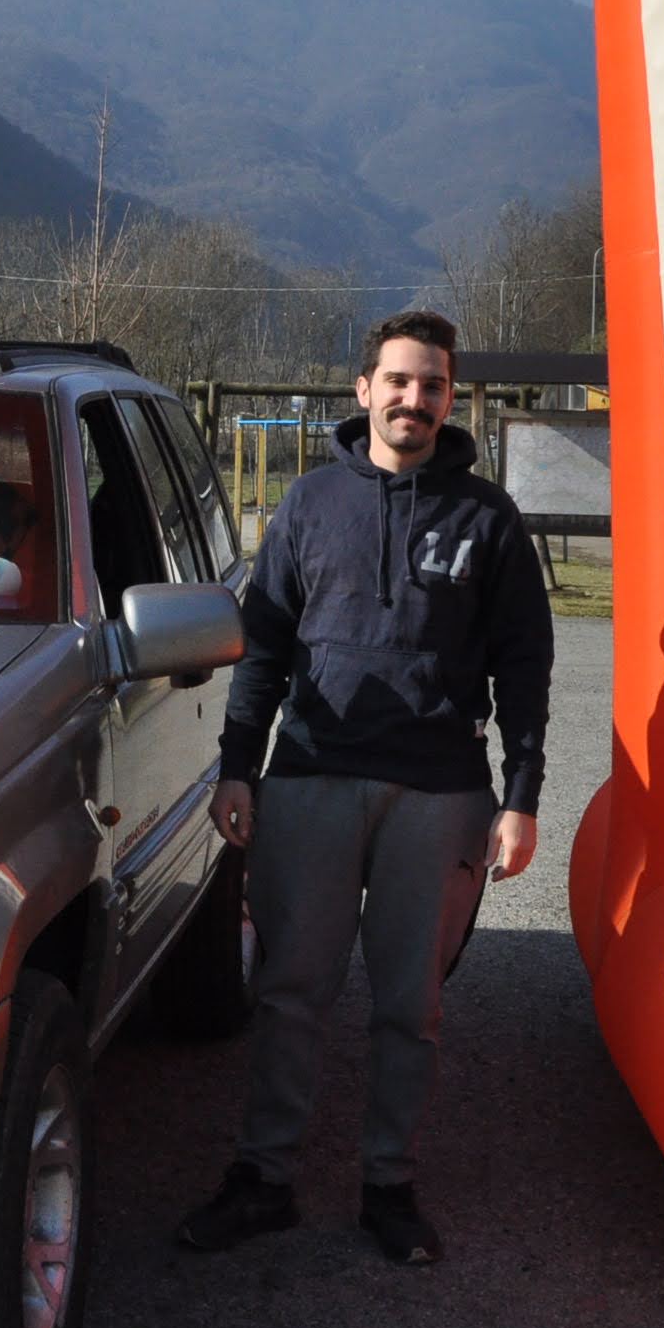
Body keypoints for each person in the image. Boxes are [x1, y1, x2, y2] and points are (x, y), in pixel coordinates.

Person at [175, 310, 552, 1265]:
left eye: (432, 385)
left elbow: (525, 666)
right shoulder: (308, 505)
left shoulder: (488, 518)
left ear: (451, 400)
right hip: (312, 778)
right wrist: (238, 766)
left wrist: (521, 795)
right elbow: (263, 648)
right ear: (364, 390)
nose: (413, 399)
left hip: (438, 793)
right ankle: (263, 1179)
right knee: (290, 992)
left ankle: (389, 1184)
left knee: (409, 1006)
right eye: (398, 381)